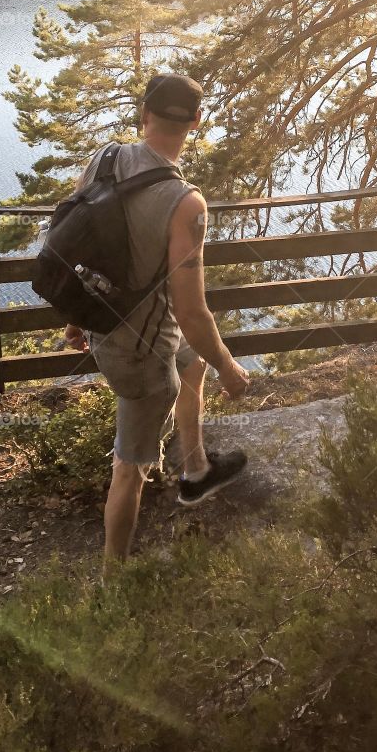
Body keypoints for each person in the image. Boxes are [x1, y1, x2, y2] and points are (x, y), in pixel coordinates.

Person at [64, 73, 250, 565]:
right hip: (138, 352)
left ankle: (195, 470)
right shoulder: (186, 204)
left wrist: (75, 320)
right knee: (129, 468)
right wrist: (231, 367)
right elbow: (192, 311)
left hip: (109, 327)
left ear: (143, 114)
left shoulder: (104, 158)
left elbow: (77, 247)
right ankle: (113, 583)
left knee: (192, 362)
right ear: (196, 121)